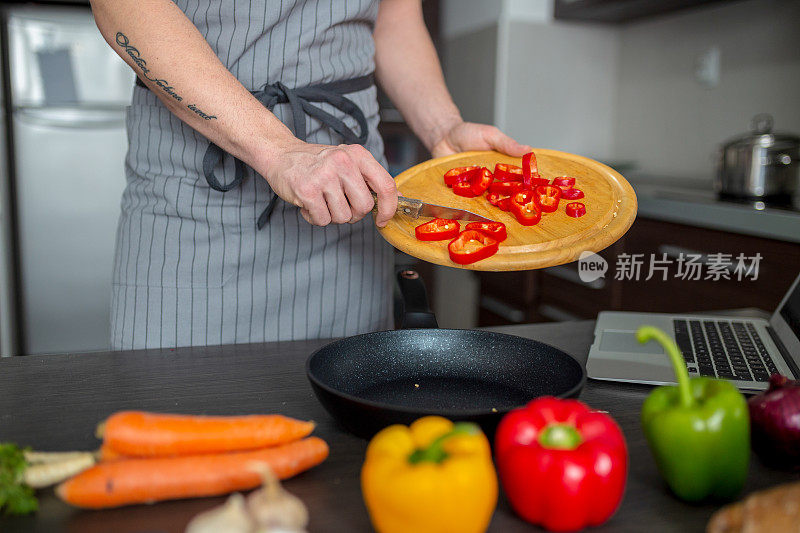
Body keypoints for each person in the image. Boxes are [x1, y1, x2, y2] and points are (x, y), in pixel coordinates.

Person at [90, 0, 530, 350]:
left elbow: (394, 16)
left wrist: (442, 127)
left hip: (348, 211)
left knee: (341, 428)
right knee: (171, 419)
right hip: (190, 201)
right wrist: (280, 150)